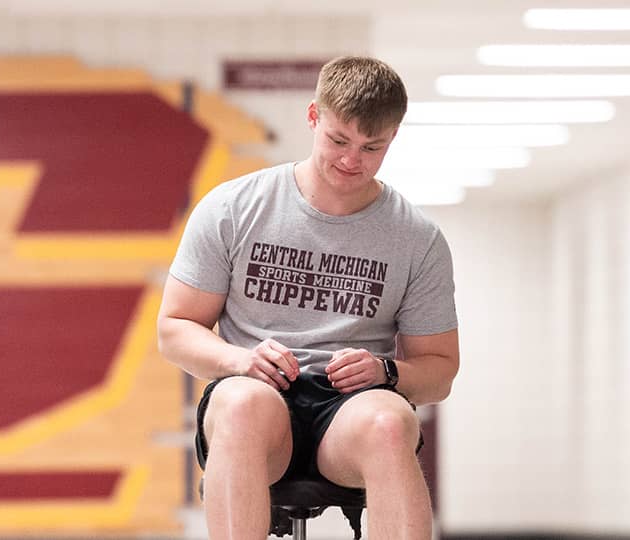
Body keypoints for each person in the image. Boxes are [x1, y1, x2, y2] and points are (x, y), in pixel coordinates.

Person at [156, 55, 459, 540]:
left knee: (389, 422)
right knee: (240, 405)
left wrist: (387, 372)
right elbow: (175, 330)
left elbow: (439, 371)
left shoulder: (417, 239)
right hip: (258, 396)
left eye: (371, 147)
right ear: (314, 116)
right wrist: (239, 360)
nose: (351, 160)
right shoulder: (234, 208)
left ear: (393, 137)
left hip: (351, 411)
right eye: (339, 140)